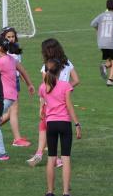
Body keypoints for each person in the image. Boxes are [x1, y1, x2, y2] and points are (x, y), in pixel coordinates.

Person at [27, 39, 80, 167]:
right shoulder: (67, 63)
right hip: (62, 102)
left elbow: (46, 87)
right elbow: (76, 80)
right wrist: (67, 90)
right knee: (49, 128)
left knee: (45, 127)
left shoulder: (46, 67)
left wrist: (41, 106)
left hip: (49, 103)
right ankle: (45, 155)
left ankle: (45, 156)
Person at [40, 59, 81, 196]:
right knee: (66, 158)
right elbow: (69, 106)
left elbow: (43, 102)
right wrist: (77, 124)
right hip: (64, 123)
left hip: (51, 124)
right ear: (59, 71)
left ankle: (50, 192)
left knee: (51, 158)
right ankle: (65, 194)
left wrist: (42, 110)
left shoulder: (43, 87)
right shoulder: (65, 86)